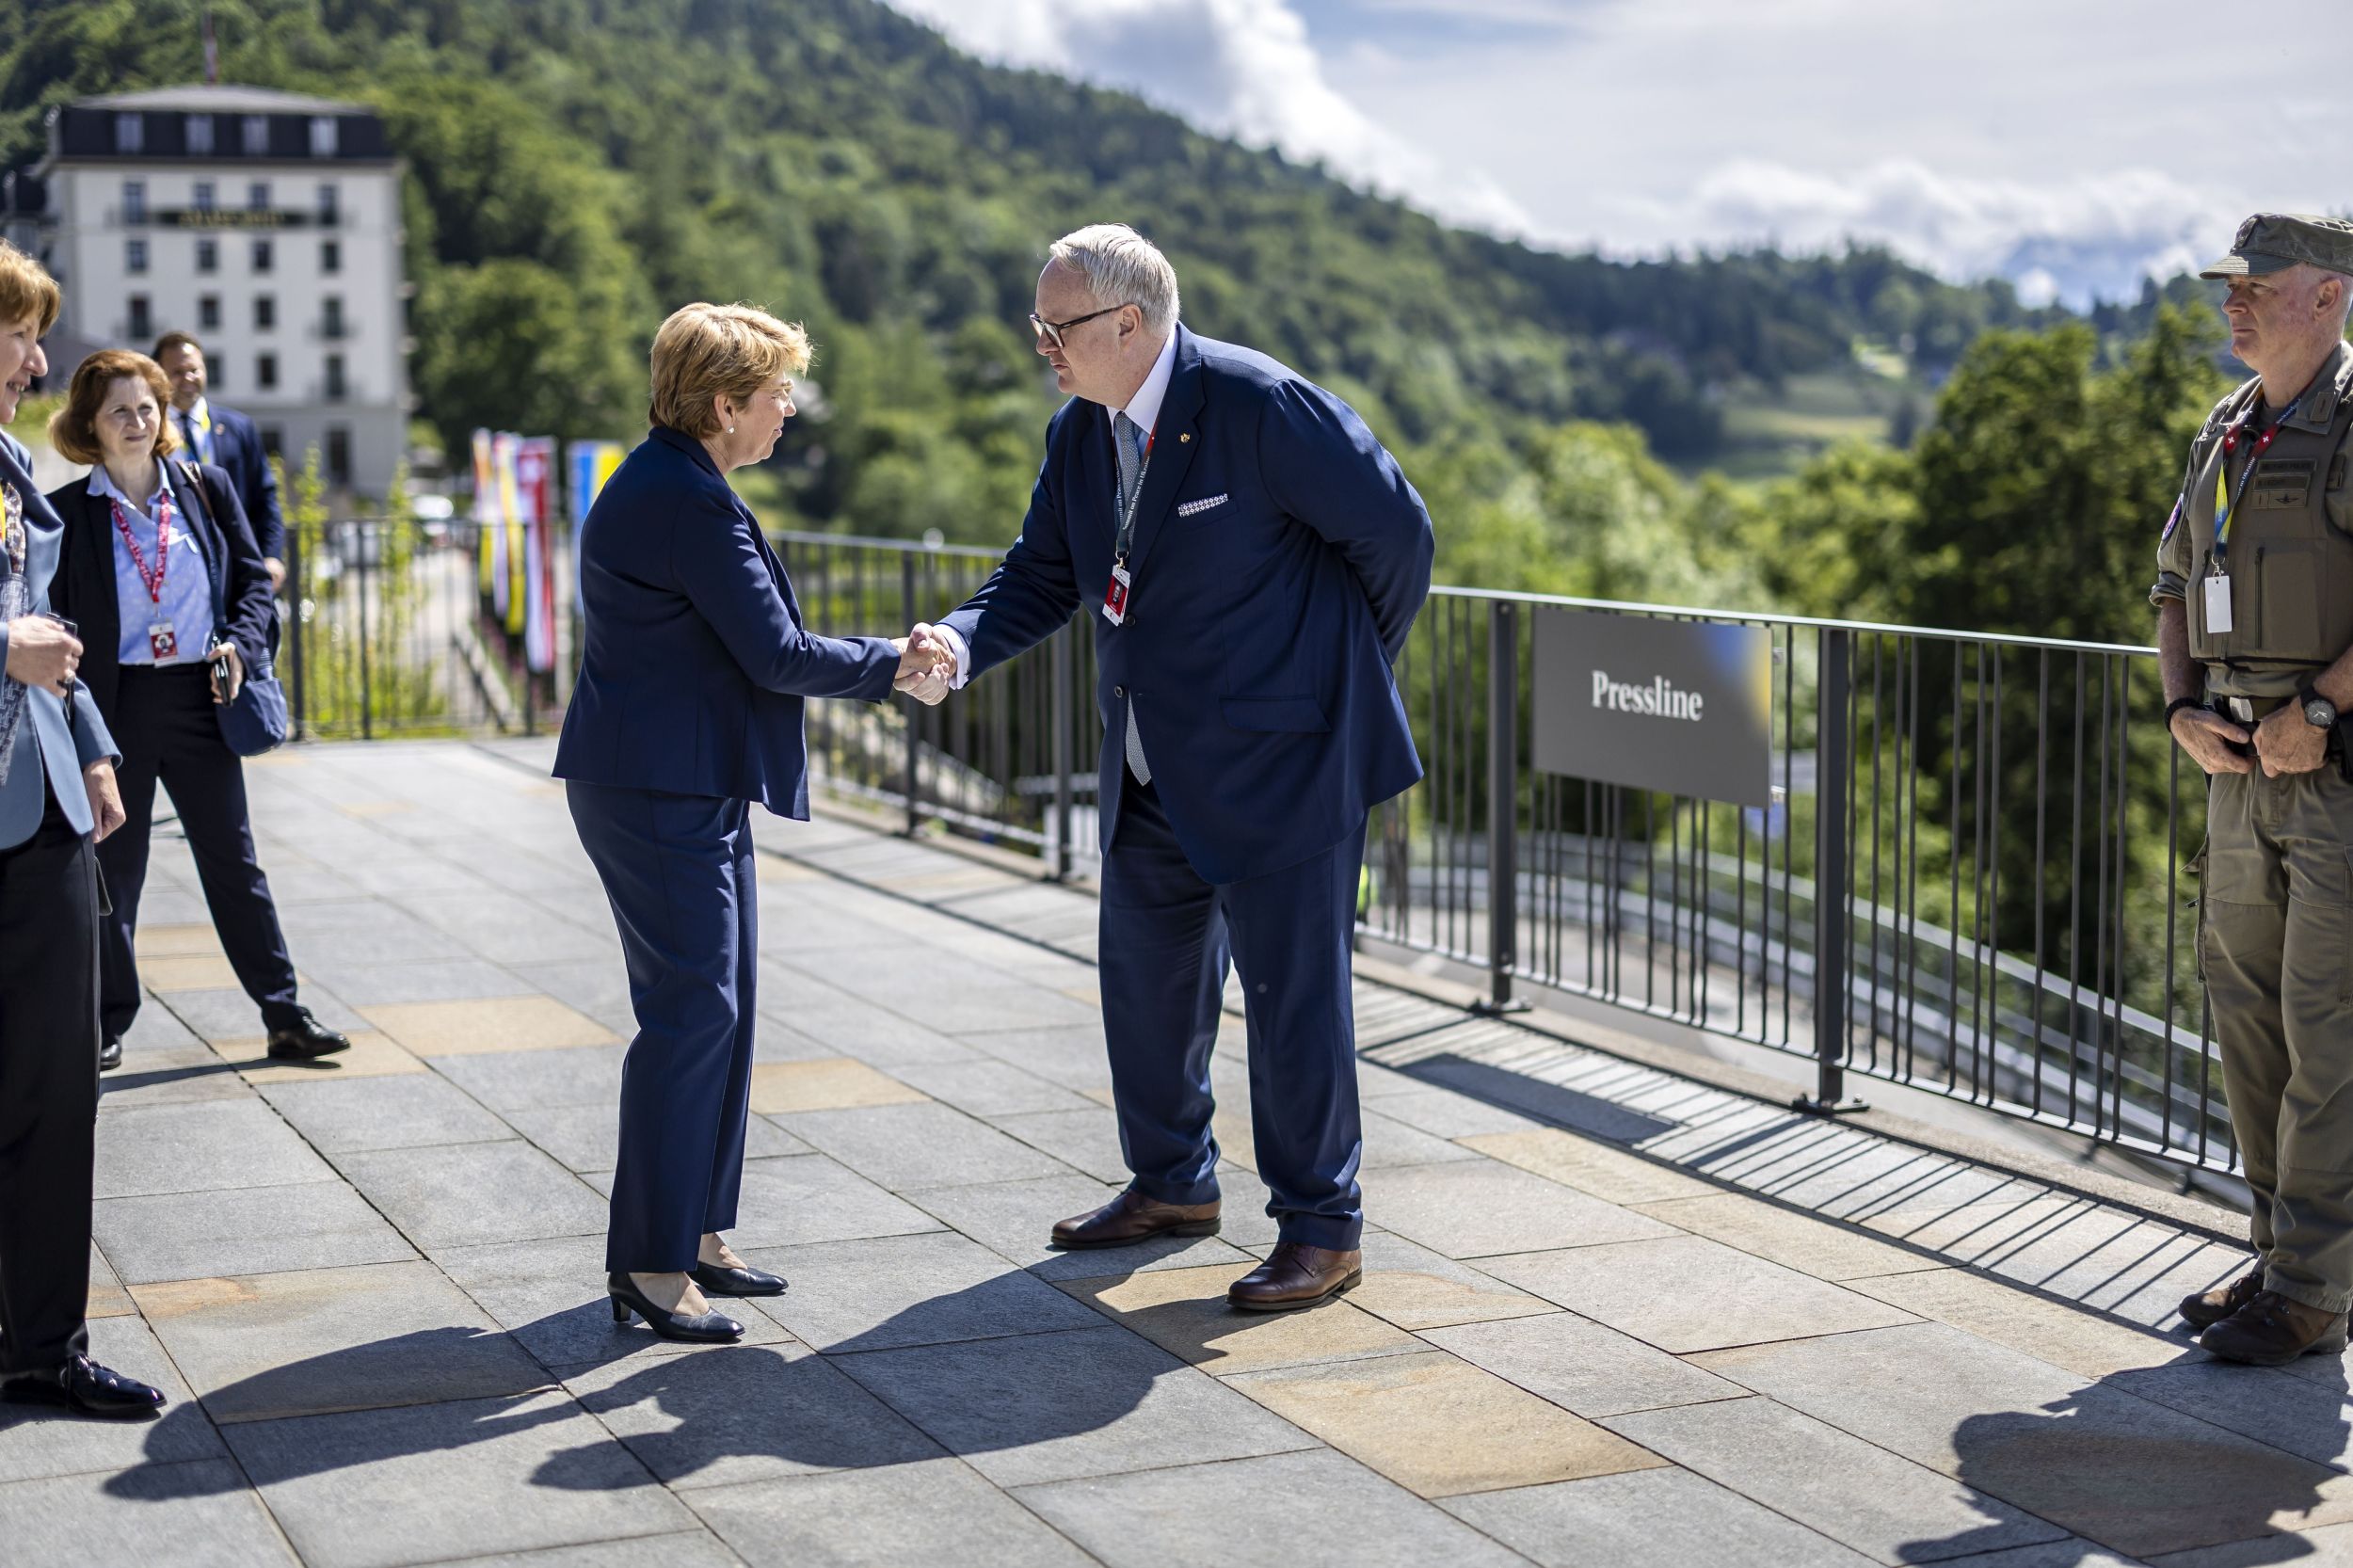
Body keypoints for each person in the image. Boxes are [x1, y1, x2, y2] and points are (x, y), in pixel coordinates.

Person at [908, 224, 1433, 1311]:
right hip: (1152, 764)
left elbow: (1397, 537)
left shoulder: (1259, 404)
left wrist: (1329, 682)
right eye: (1039, 327)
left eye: (1056, 328)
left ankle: (1322, 1230)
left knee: (1295, 1005)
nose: (1043, 346)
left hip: (1285, 760)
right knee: (1144, 989)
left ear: (1129, 323)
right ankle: (1172, 1183)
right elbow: (1041, 572)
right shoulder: (1080, 432)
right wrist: (959, 642)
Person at [553, 302, 948, 1342]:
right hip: (657, 787)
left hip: (687, 777)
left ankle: (697, 1231)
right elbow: (774, 652)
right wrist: (892, 664)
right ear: (724, 404)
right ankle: (648, 1257)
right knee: (695, 1013)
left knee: (723, 1006)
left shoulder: (682, 481)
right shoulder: (686, 499)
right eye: (777, 394)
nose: (787, 412)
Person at [2154, 213, 2353, 1366]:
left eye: (2256, 283)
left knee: (2327, 1031)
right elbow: (2170, 584)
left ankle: (2315, 1289)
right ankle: (2281, 1258)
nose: (2232, 301)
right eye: (2227, 283)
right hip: (2235, 768)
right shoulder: (2225, 430)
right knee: (2247, 1019)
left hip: (2328, 773)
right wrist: (2182, 710)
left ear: (2325, 297)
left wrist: (2316, 711)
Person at [46, 350, 348, 1071]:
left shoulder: (204, 489)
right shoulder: (67, 515)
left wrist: (242, 645)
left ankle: (283, 1013)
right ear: (90, 423)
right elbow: (54, 619)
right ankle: (106, 1021)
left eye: (147, 407)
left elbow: (250, 582)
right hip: (114, 705)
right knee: (114, 870)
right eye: (119, 409)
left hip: (201, 695)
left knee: (234, 863)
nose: (137, 421)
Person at [0, 241, 164, 1418]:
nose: (36, 358)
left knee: (58, 1088)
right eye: (19, 333)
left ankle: (42, 1343)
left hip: (41, 803)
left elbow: (36, 619)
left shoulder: (9, 465)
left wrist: (94, 736)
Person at [152, 331, 285, 593]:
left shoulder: (239, 427)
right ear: (159, 376)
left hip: (237, 564)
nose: (188, 378)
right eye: (177, 371)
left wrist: (272, 556)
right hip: (173, 569)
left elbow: (265, 497)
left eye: (194, 369)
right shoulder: (150, 432)